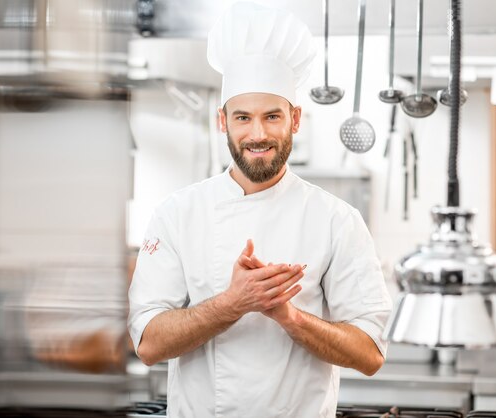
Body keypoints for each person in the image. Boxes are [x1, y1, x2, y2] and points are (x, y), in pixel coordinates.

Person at [128, 2, 392, 417]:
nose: (258, 134)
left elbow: (370, 354)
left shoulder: (337, 220)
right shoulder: (178, 213)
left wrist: (289, 316)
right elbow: (148, 344)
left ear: (295, 119)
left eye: (272, 116)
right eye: (243, 117)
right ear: (222, 121)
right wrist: (233, 303)